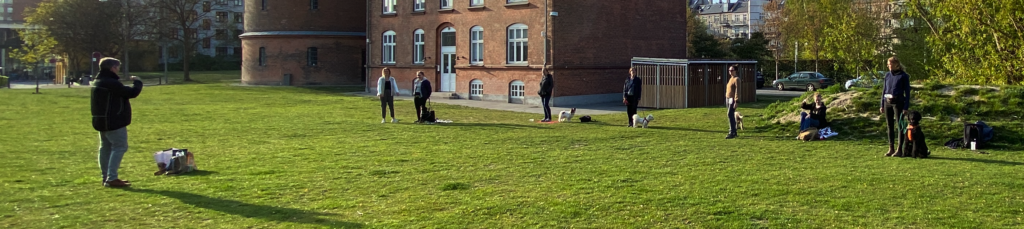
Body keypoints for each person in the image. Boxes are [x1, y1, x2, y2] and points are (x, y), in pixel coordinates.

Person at [91, 57, 143, 188]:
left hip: (100, 120)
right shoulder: (111, 83)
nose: (118, 70)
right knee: (120, 147)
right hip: (114, 121)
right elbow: (131, 93)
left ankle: (106, 177)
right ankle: (112, 178)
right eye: (117, 67)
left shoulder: (98, 81)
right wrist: (138, 82)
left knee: (105, 148)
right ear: (112, 68)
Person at [880, 56, 911, 157]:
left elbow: (907, 92)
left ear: (896, 64)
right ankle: (891, 148)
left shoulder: (903, 76)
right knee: (890, 125)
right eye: (888, 64)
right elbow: (884, 90)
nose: (888, 66)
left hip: (898, 102)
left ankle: (899, 149)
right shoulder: (887, 75)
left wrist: (906, 107)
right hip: (887, 102)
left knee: (900, 126)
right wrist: (882, 104)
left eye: (890, 64)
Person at [725, 65, 740, 139]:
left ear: (735, 71)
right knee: (731, 115)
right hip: (728, 99)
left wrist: (736, 101)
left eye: (731, 70)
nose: (730, 72)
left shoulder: (736, 79)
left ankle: (732, 132)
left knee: (730, 114)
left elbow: (738, 91)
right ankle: (734, 131)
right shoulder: (731, 79)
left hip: (732, 99)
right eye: (729, 70)